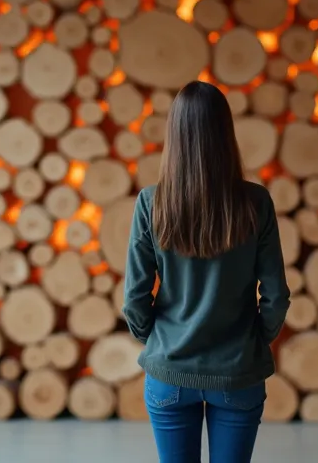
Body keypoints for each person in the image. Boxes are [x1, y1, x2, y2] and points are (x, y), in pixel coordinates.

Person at [123, 80, 291, 463]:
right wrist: (255, 339)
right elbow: (276, 295)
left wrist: (158, 340)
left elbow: (134, 297)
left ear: (175, 134)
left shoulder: (152, 202)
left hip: (169, 371)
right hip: (237, 371)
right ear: (225, 132)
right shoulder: (255, 202)